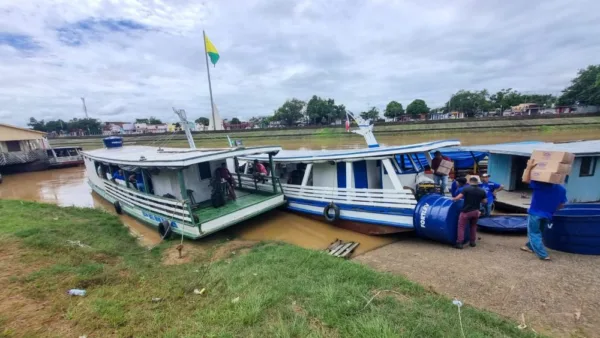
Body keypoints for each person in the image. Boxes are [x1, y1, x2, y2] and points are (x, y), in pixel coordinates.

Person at [521, 159, 567, 260]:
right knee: (539, 232)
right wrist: (551, 206)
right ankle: (529, 246)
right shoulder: (562, 189)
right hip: (548, 215)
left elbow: (525, 179)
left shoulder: (541, 184)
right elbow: (561, 205)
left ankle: (543, 254)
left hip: (535, 213)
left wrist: (529, 167)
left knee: (533, 233)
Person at [451, 176, 487, 249]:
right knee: (473, 226)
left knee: (461, 227)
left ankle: (460, 243)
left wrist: (453, 199)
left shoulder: (466, 189)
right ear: (477, 182)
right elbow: (485, 201)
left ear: (470, 182)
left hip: (466, 211)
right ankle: (472, 242)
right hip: (476, 212)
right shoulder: (482, 191)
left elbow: (458, 198)